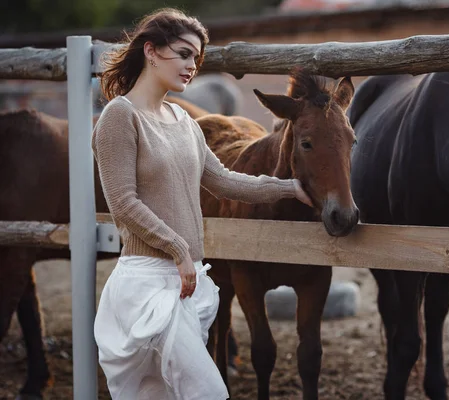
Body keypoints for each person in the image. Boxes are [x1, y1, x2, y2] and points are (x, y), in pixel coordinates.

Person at [91, 8, 313, 399]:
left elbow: (224, 182)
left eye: (197, 57)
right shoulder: (118, 117)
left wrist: (288, 188)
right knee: (207, 391)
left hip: (187, 282)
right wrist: (177, 249)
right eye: (183, 53)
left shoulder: (184, 121)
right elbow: (123, 203)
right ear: (151, 51)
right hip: (147, 281)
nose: (193, 65)